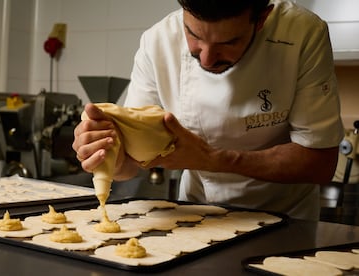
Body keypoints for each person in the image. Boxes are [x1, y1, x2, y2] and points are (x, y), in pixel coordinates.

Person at [73, 0, 344, 220]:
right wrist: (106, 152)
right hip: (196, 216)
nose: (206, 58)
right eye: (194, 35)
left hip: (286, 221)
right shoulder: (157, 43)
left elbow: (320, 163)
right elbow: (129, 164)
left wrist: (211, 159)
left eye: (229, 42)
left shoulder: (301, 34)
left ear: (261, 20)